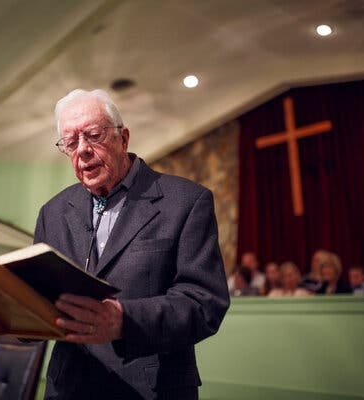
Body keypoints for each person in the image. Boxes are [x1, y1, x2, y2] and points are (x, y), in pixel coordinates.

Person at [34, 89, 230, 399]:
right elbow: (40, 299)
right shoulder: (53, 212)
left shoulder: (187, 201)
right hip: (69, 387)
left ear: (123, 138)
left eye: (94, 135)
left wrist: (124, 320)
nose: (82, 150)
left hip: (152, 389)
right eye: (71, 143)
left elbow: (204, 302)